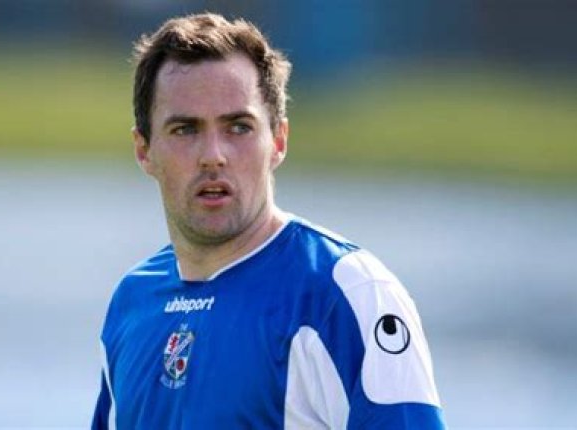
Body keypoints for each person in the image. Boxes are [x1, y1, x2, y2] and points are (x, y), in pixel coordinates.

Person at [92, 12, 446, 429]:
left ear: (278, 140)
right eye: (185, 129)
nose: (213, 156)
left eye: (238, 127)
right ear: (144, 150)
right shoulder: (133, 302)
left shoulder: (344, 292)